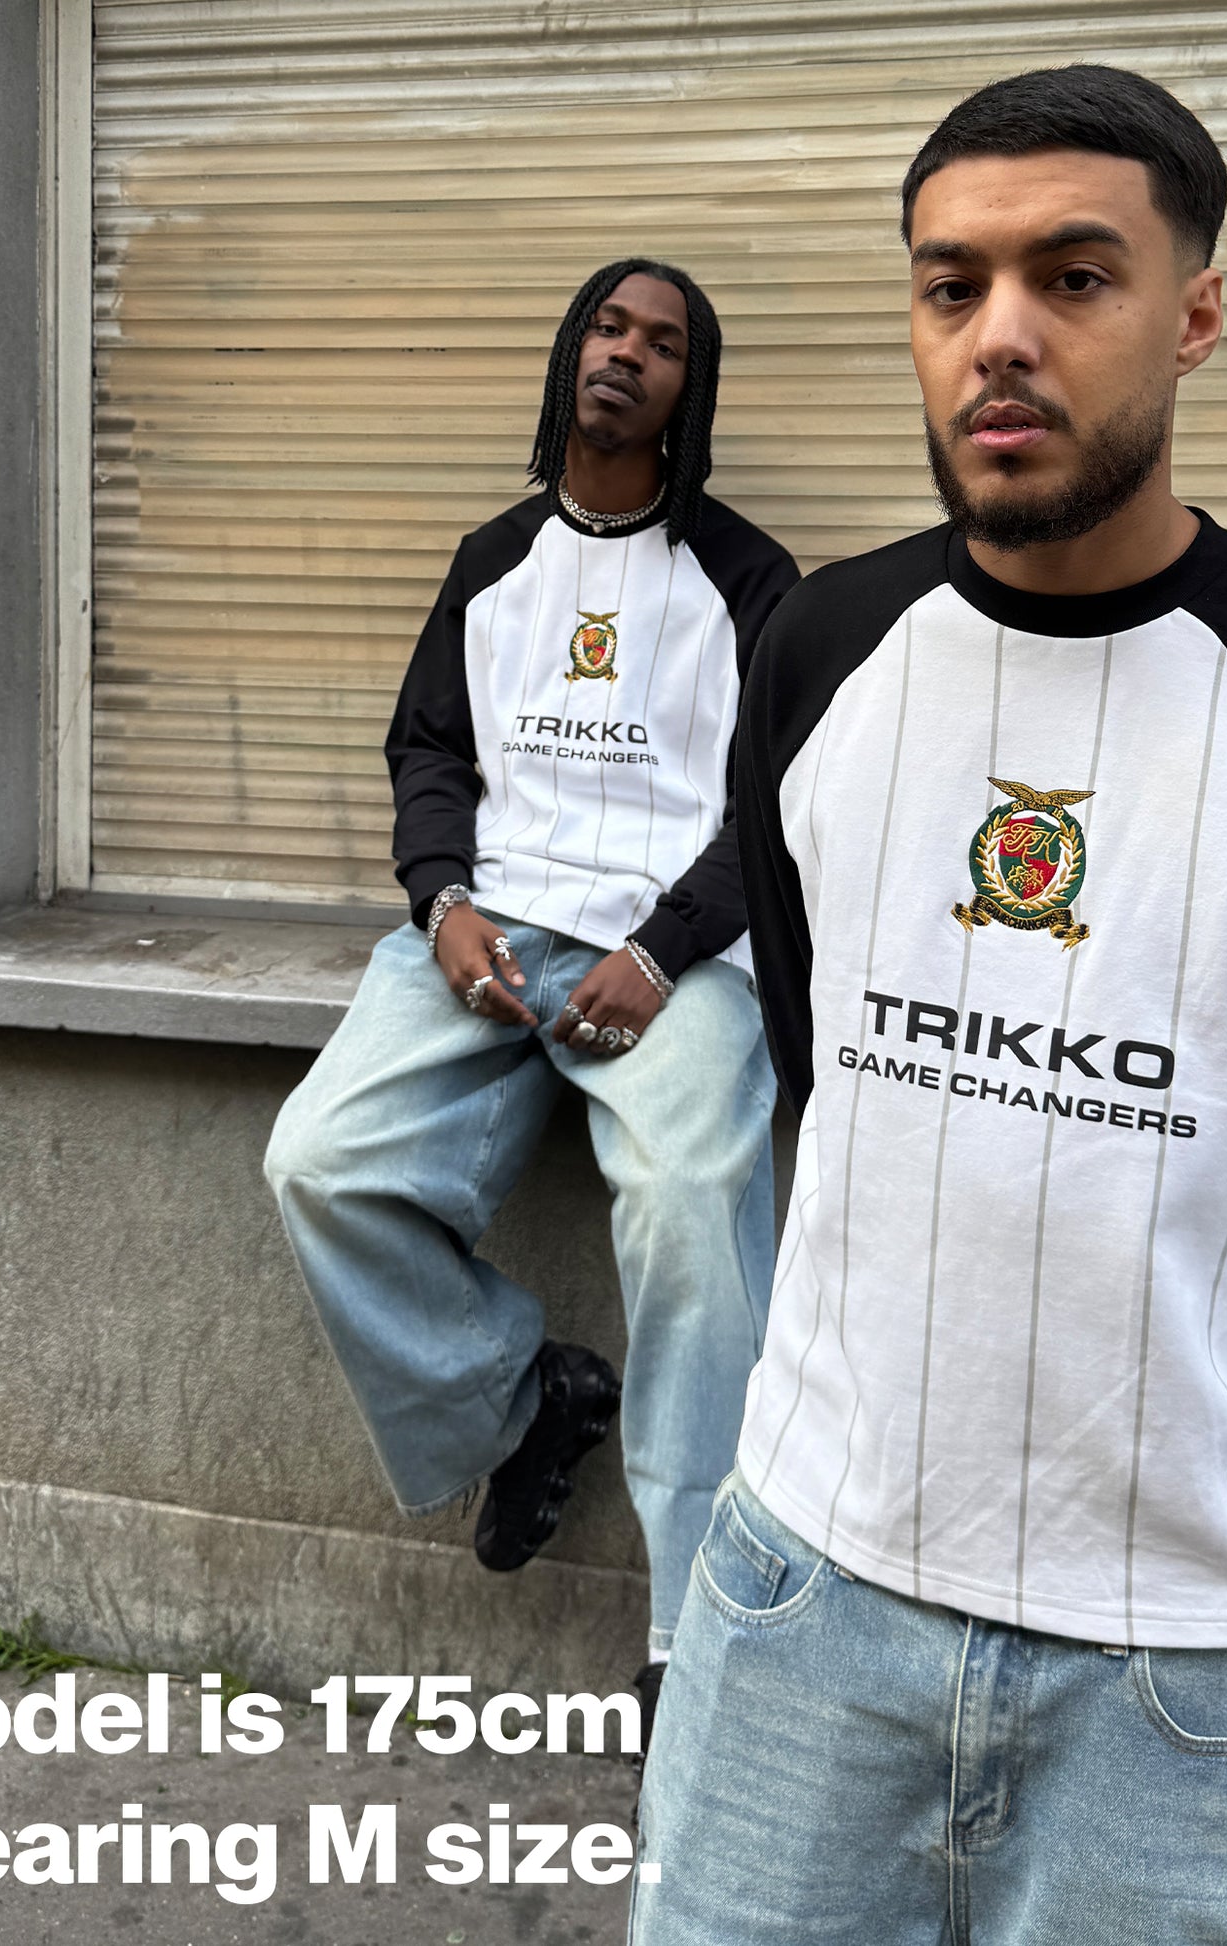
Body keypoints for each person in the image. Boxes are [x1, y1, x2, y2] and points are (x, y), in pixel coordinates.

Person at [633, 66, 1227, 1944]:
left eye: (1073, 277)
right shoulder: (823, 649)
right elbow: (820, 1057)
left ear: (1192, 315)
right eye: (949, 286)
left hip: (1167, 1666)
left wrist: (1180, 1349)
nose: (1000, 336)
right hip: (800, 1598)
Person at [264, 260, 800, 1704]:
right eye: (608, 327)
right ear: (570, 353)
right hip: (490, 933)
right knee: (319, 1162)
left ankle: (700, 1642)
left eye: (663, 342)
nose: (627, 354)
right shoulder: (493, 559)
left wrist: (664, 949)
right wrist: (441, 903)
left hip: (674, 957)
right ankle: (520, 1402)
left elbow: (777, 803)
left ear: (690, 389)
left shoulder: (750, 581)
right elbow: (428, 750)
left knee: (693, 1214)